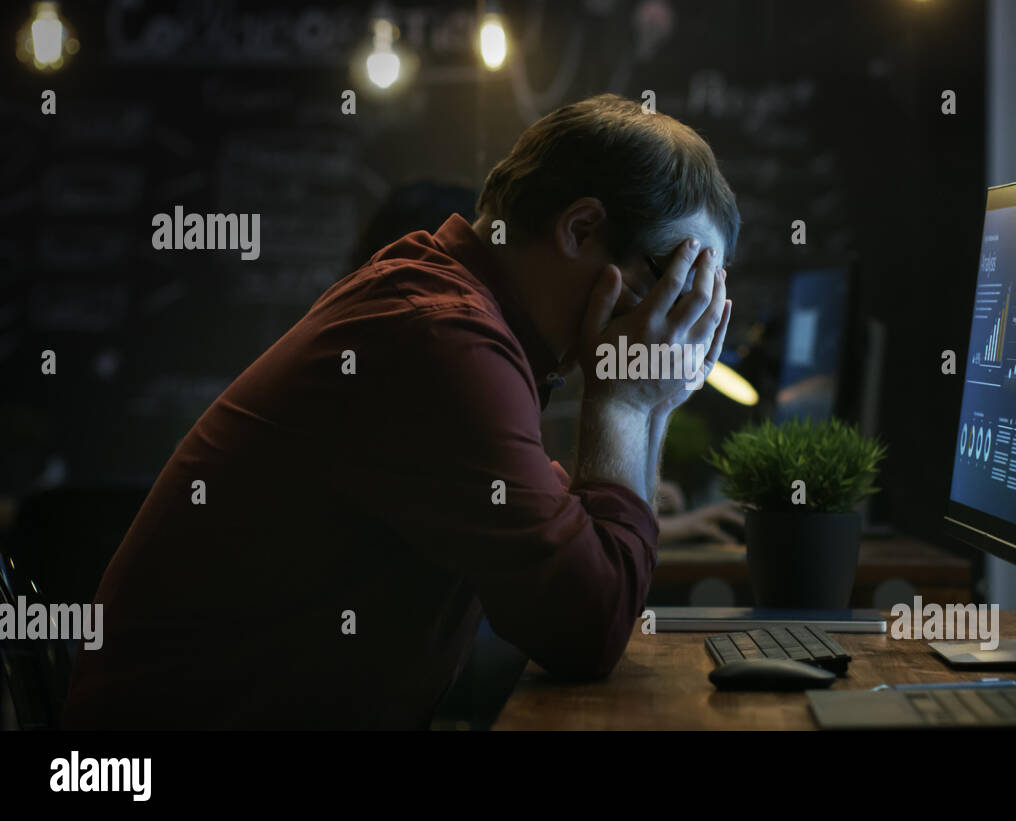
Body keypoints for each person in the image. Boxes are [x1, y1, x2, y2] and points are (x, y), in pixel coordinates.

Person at [62, 93, 739, 729]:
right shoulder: (440, 336)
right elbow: (586, 628)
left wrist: (654, 398)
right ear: (581, 228)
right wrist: (624, 398)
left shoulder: (455, 311)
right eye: (672, 285)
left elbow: (592, 580)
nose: (676, 323)